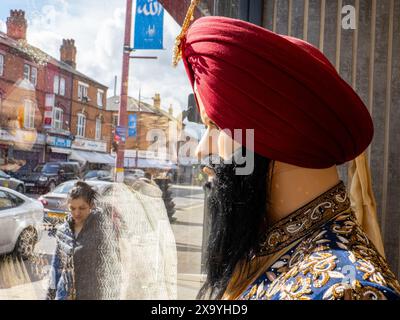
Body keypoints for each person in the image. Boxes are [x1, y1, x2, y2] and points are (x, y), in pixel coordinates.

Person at [172, 1, 400, 300]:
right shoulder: (273, 248)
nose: (202, 150)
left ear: (277, 137)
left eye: (215, 127)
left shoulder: (346, 290)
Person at [46, 181, 121, 300]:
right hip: (64, 295)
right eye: (72, 208)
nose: (77, 213)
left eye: (82, 208)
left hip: (93, 294)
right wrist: (50, 296)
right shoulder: (62, 231)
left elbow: (113, 266)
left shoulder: (103, 229)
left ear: (91, 205)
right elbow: (56, 268)